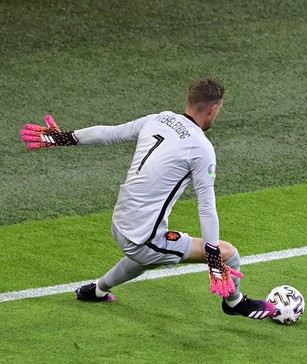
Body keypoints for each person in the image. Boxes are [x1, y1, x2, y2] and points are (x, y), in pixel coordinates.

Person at [22, 78, 277, 320]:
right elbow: (206, 204)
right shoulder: (201, 148)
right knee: (229, 254)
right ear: (212, 108)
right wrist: (213, 257)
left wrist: (64, 137)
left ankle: (96, 290)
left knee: (147, 256)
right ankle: (234, 303)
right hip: (143, 238)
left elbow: (109, 133)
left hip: (120, 223)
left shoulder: (160, 119)